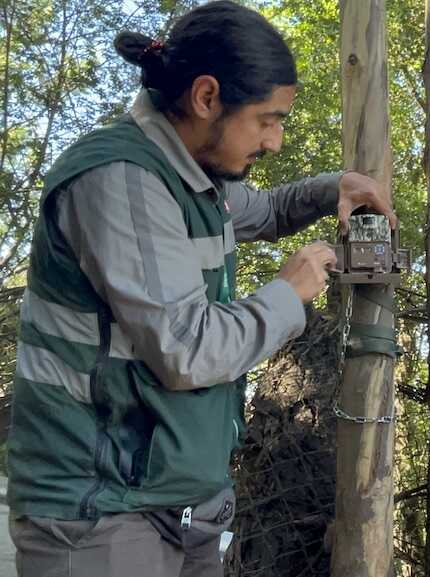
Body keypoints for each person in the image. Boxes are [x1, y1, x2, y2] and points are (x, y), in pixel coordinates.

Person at [6, 2, 395, 576]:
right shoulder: (122, 180)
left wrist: (335, 186)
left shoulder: (191, 178)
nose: (276, 141)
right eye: (267, 119)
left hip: (178, 507)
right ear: (207, 97)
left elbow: (268, 209)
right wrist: (288, 293)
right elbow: (187, 349)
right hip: (99, 515)